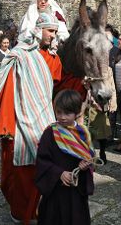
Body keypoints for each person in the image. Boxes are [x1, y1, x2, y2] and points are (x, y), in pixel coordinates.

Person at [0, 12, 57, 224]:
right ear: (39, 29)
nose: (53, 36)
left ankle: (33, 211)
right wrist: (6, 125)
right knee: (19, 176)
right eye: (50, 31)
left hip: (41, 124)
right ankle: (22, 213)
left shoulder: (45, 56)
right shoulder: (20, 55)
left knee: (36, 173)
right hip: (18, 126)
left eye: (55, 32)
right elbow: (8, 89)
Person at [35, 89, 95, 225]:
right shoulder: (50, 133)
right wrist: (59, 173)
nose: (62, 117)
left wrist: (85, 165)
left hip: (76, 191)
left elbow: (90, 158)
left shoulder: (83, 133)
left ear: (77, 112)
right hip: (55, 189)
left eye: (67, 113)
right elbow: (41, 160)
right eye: (59, 112)